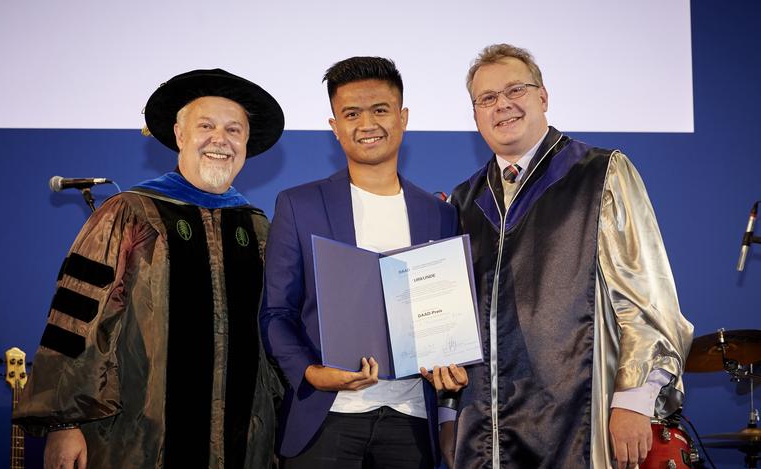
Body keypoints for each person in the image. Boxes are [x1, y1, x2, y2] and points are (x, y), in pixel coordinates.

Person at [13, 69, 285, 469]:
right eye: (205, 126)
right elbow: (79, 321)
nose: (220, 140)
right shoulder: (129, 213)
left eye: (234, 130)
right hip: (138, 438)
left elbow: (273, 332)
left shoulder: (256, 226)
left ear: (245, 143)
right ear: (179, 134)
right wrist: (64, 423)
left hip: (242, 441)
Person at [447, 44, 694, 469]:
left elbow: (645, 300)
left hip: (581, 419)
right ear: (474, 115)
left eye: (515, 90)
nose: (502, 104)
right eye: (486, 98)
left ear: (543, 96)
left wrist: (634, 401)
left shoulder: (600, 175)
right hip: (487, 432)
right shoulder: (465, 200)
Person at [259, 56, 467, 469]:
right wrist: (312, 373)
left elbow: (447, 320)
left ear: (403, 118)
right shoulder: (299, 205)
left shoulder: (441, 213)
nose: (367, 124)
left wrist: (452, 375)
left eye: (380, 110)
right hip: (326, 418)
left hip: (412, 422)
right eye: (351, 113)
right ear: (335, 127)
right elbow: (276, 313)